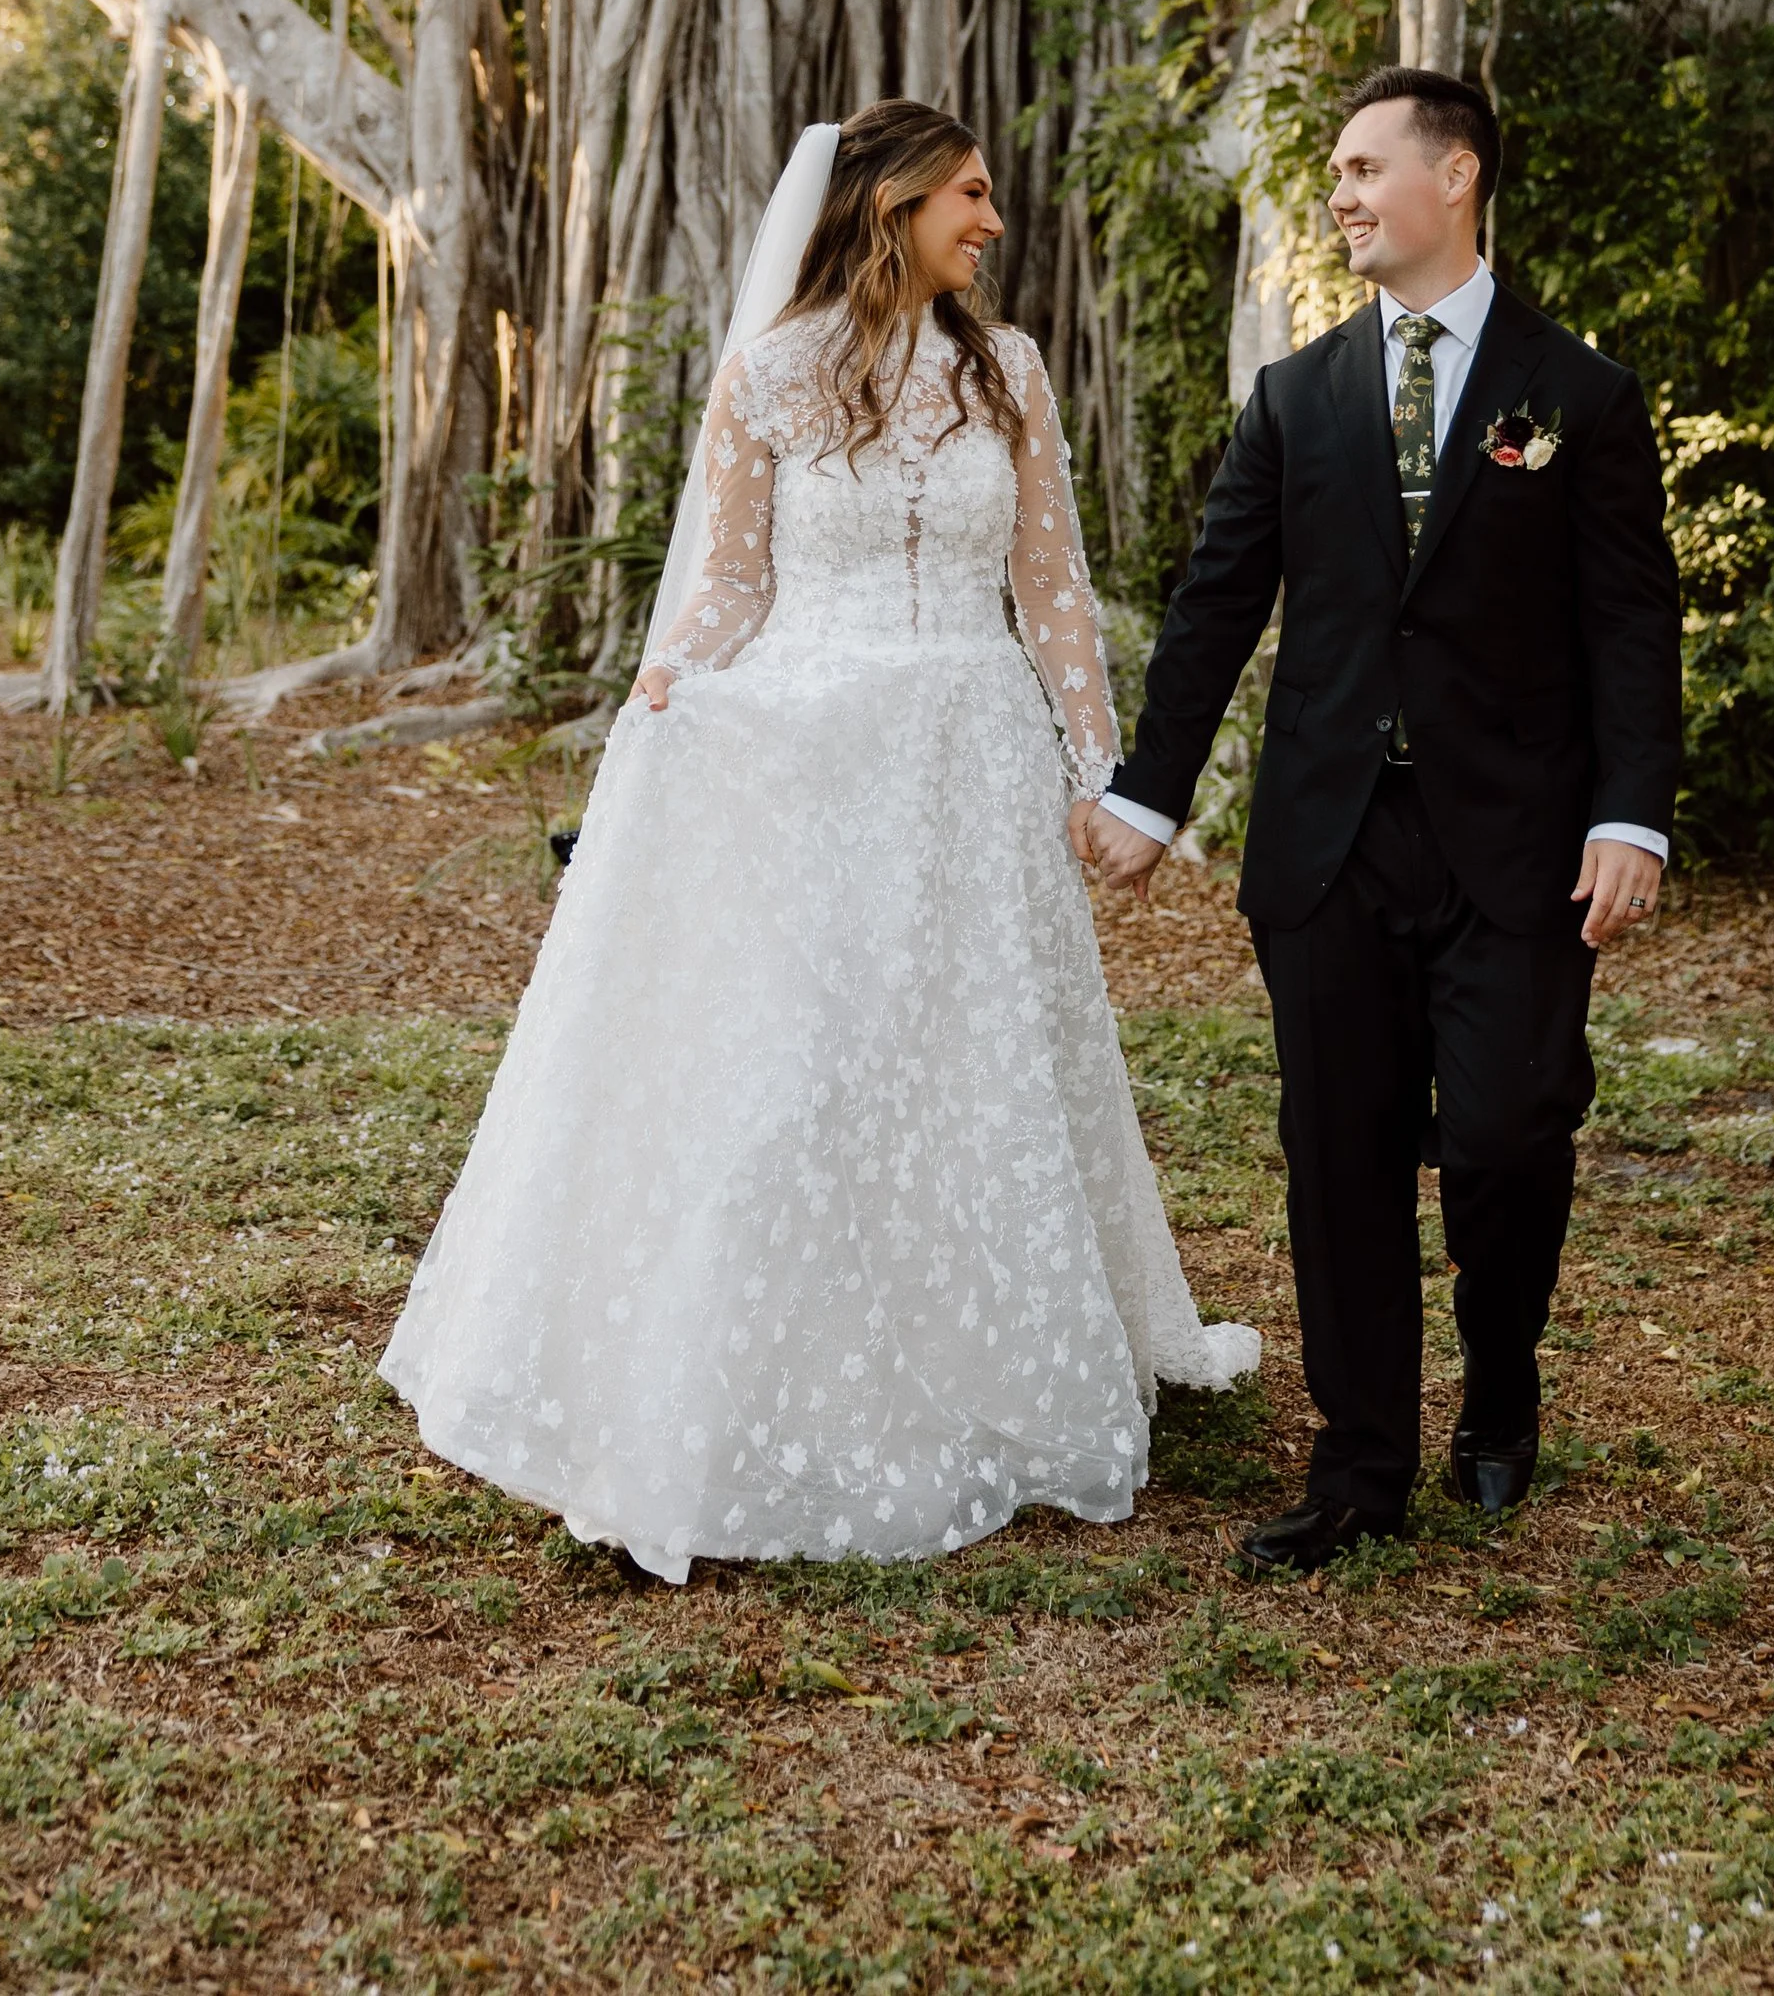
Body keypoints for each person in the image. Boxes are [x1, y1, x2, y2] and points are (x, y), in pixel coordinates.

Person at [382, 99, 1255, 1580]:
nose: (990, 220)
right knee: (804, 1053)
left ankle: (982, 1353)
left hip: (969, 754)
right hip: (811, 748)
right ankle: (756, 1362)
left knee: (969, 1056)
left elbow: (1050, 584)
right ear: (894, 199)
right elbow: (728, 581)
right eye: (969, 194)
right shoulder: (773, 372)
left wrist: (1105, 769)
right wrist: (674, 686)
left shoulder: (1011, 370)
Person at [1074, 67, 1681, 1567]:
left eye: (1364, 167)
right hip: (1330, 844)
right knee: (1338, 1151)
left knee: (1505, 1131)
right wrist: (1149, 791)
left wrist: (1633, 817)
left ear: (1457, 173)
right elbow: (1217, 610)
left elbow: (1630, 627)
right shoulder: (1296, 398)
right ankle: (1358, 1466)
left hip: (1522, 848)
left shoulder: (1578, 398)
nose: (1340, 195)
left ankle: (1504, 1379)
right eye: (1334, 175)